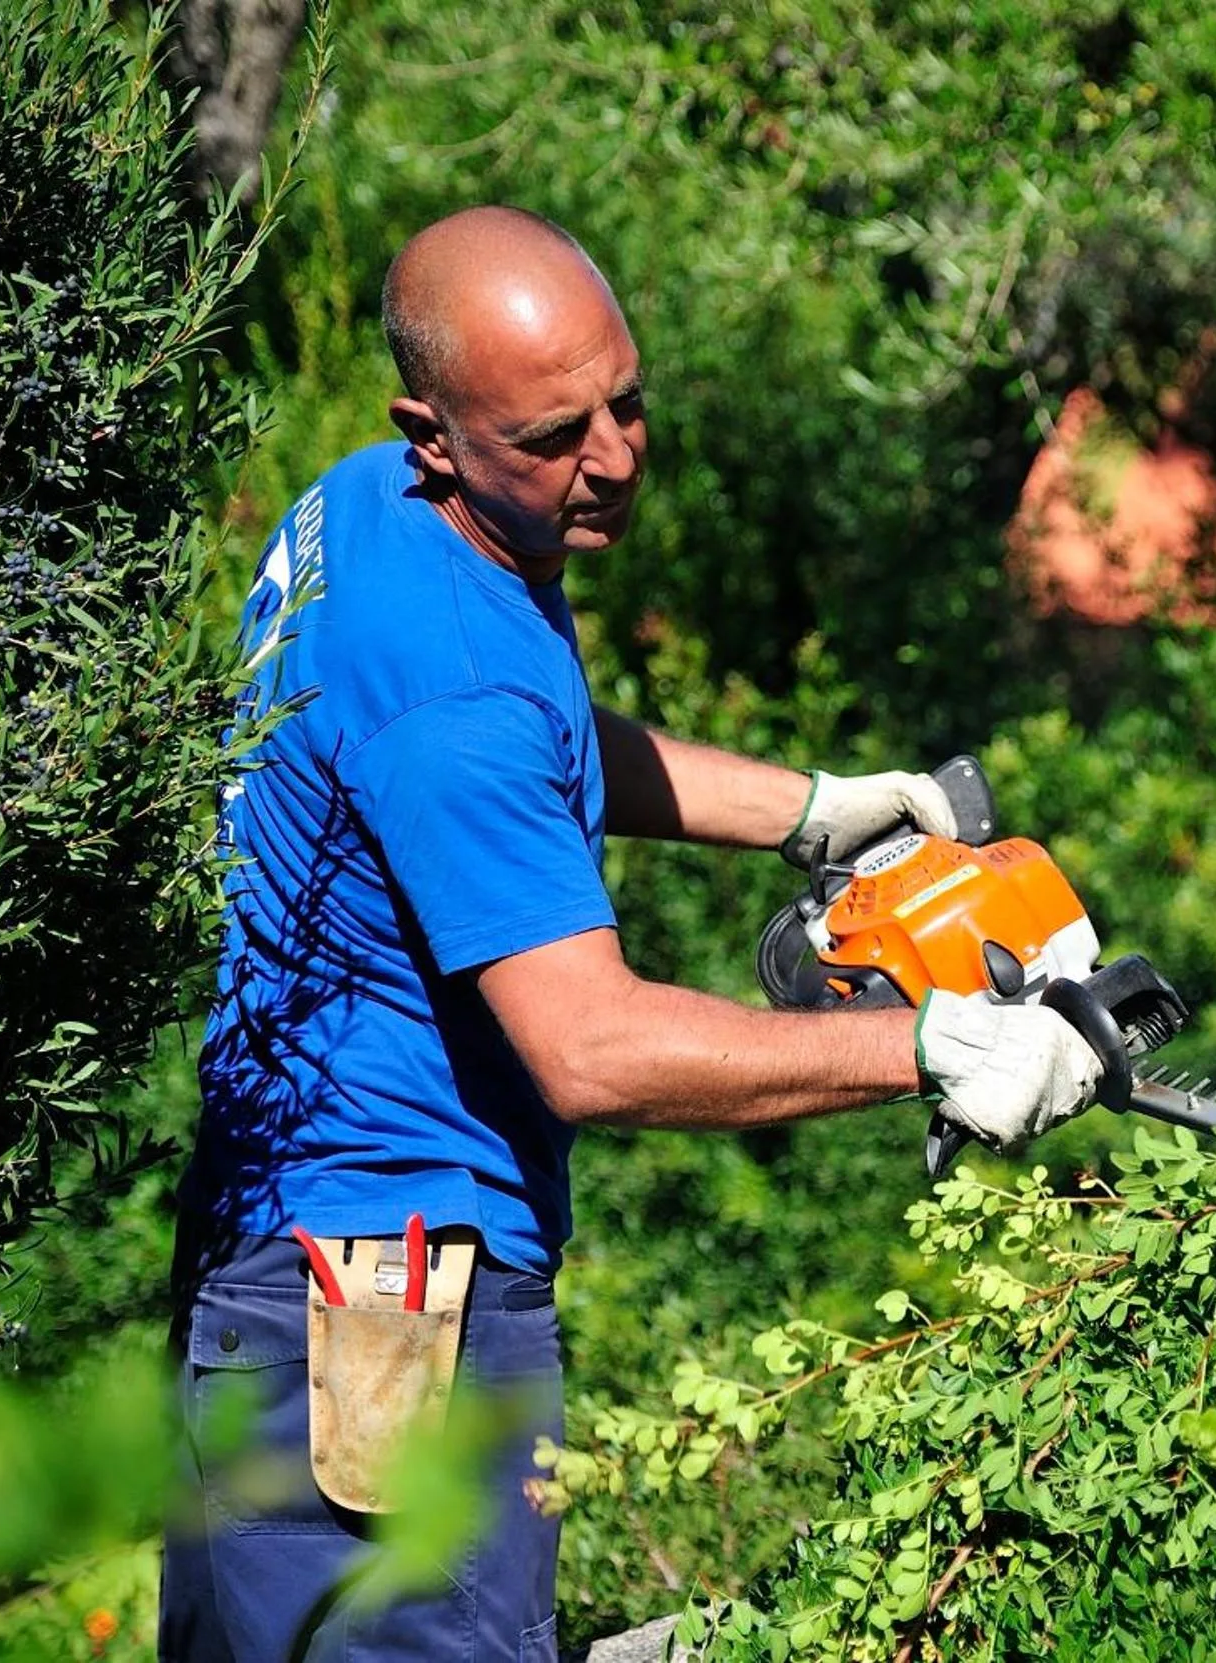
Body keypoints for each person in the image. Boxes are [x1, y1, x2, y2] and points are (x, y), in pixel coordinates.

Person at [158, 205, 1105, 1663]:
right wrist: (932, 1039)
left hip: (271, 1271)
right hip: (384, 1307)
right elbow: (590, 1048)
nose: (611, 456)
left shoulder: (363, 516)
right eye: (554, 435)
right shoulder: (457, 691)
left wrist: (810, 808)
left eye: (628, 402)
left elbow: (521, 745)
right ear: (435, 429)